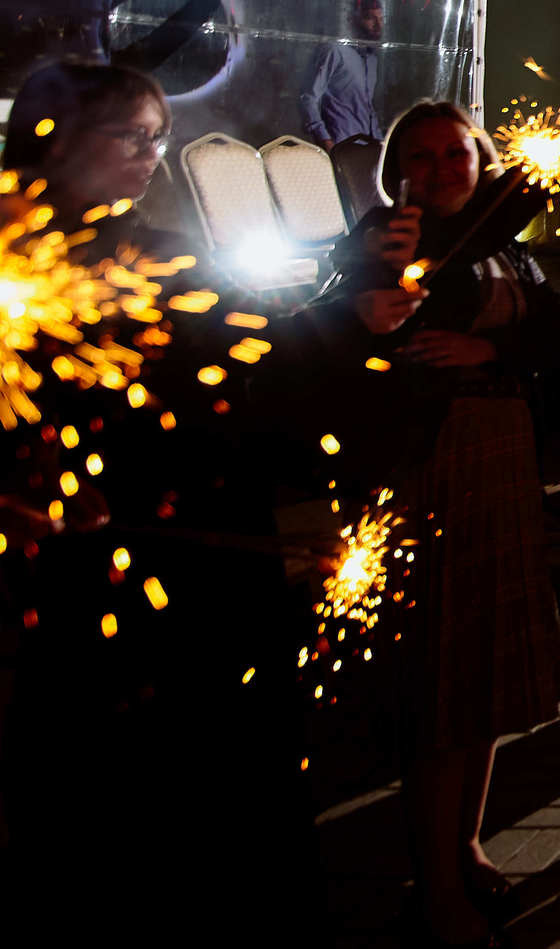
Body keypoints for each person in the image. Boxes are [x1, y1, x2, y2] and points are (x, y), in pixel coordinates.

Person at [0, 61, 372, 944]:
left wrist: (357, 325)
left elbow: (255, 368)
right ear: (53, 137)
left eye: (156, 134)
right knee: (106, 807)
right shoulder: (17, 268)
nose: (149, 153)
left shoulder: (160, 251)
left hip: (208, 573)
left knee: (238, 790)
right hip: (85, 593)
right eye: (128, 134)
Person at [322, 97, 560, 939]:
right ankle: (431, 886)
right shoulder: (383, 241)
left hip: (500, 463)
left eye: (456, 154)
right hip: (431, 471)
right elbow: (356, 333)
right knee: (439, 683)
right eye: (423, 157)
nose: (440, 170)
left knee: (483, 677)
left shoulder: (505, 242)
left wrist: (496, 350)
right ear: (397, 167)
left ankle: (465, 845)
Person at [301, 0, 386, 144]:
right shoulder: (334, 50)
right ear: (352, 20)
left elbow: (366, 105)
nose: (378, 25)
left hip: (369, 147)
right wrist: (325, 141)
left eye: (380, 19)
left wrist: (379, 143)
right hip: (341, 146)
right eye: (370, 18)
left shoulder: (372, 59)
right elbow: (309, 99)